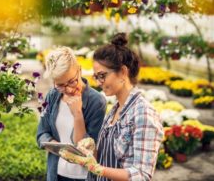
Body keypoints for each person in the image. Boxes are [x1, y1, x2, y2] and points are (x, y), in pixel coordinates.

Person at [60, 33, 164, 181]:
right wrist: (90, 150)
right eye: (96, 77)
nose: (98, 82)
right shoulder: (115, 110)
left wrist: (97, 168)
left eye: (102, 75)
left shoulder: (143, 114)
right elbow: (104, 158)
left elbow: (142, 174)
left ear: (122, 72)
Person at [37, 47, 107, 181]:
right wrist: (58, 148)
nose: (68, 89)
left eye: (71, 81)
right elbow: (42, 133)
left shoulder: (97, 102)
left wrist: (77, 114)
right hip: (56, 174)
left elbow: (89, 149)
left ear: (79, 70)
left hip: (83, 176)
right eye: (60, 85)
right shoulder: (52, 96)